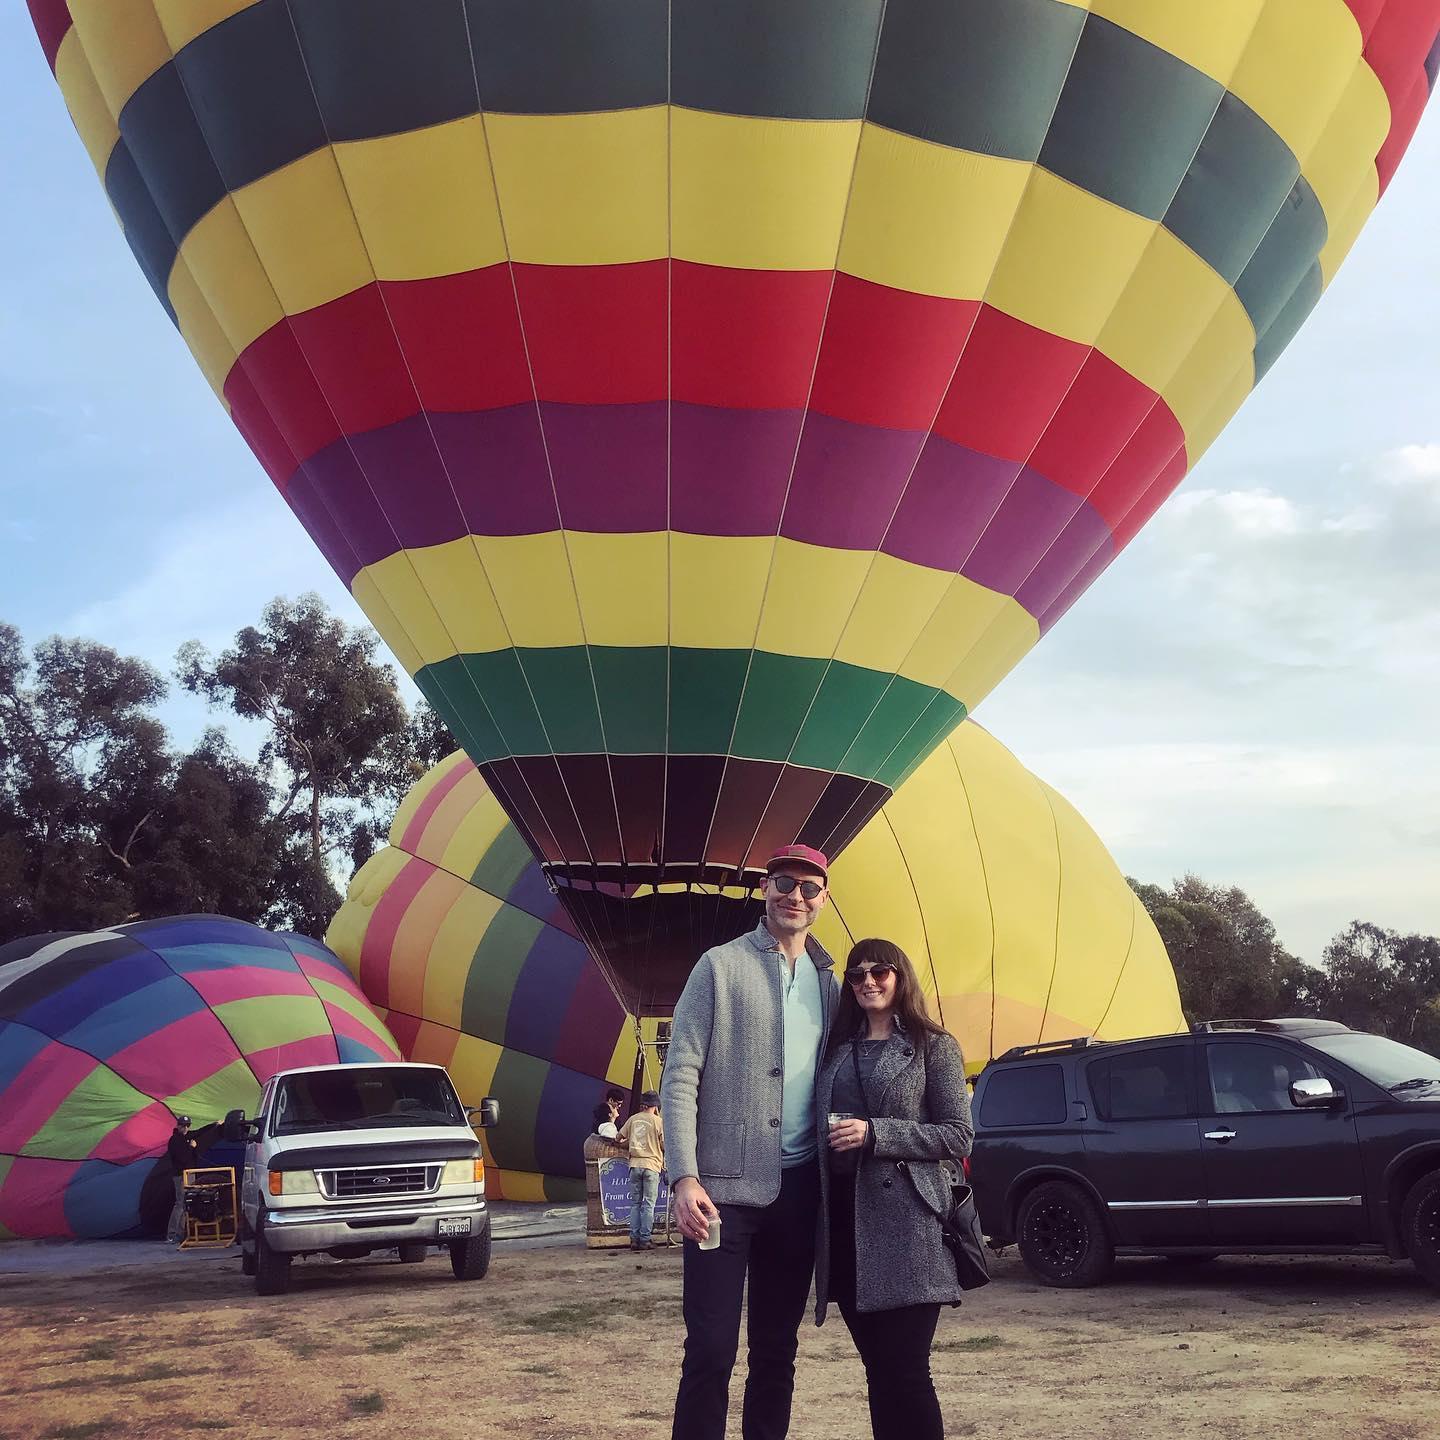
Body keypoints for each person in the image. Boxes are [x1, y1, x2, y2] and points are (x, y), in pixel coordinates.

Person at [661, 843, 840, 1440]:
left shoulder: (830, 981)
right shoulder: (719, 965)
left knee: (775, 1350)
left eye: (810, 888)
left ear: (824, 898)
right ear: (764, 888)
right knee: (710, 1347)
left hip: (798, 1192)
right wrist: (683, 1176)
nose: (797, 896)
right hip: (721, 1194)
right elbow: (681, 1072)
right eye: (785, 883)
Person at [814, 938, 973, 1440]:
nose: (867, 981)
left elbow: (958, 1134)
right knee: (878, 1374)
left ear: (900, 976)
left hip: (908, 1228)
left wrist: (876, 1133)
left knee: (907, 1373)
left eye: (879, 971)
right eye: (857, 974)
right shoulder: (835, 1051)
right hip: (845, 1223)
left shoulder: (934, 1046)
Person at [617, 1090, 665, 1250]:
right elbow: (665, 1145)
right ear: (656, 1105)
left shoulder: (633, 1119)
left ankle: (634, 1240)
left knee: (635, 1204)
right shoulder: (659, 1122)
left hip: (635, 1165)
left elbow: (618, 1138)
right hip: (652, 1166)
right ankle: (645, 1240)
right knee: (649, 1205)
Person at [165, 1114, 198, 1243]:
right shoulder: (174, 1141)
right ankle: (172, 1234)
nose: (185, 1128)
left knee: (186, 1204)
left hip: (190, 1173)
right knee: (180, 1203)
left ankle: (181, 1233)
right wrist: (191, 1147)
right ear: (178, 1126)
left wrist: (216, 1125)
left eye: (187, 1126)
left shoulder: (188, 1138)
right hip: (180, 1175)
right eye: (183, 1126)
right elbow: (182, 1159)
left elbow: (201, 1132)